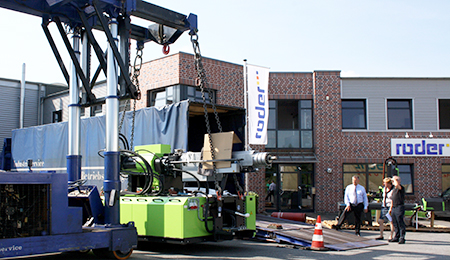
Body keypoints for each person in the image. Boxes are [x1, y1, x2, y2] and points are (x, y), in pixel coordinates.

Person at [389, 175, 406, 244]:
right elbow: (392, 199)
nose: (392, 182)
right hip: (394, 207)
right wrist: (391, 208)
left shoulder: (401, 188)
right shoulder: (394, 190)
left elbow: (398, 186)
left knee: (400, 222)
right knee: (395, 222)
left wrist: (396, 180)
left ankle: (402, 237)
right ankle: (397, 236)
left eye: (393, 181)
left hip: (399, 207)